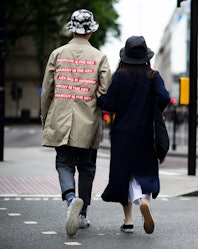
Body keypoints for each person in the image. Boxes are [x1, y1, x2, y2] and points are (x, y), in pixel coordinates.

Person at [40, 9, 111, 237]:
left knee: (63, 162)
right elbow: (105, 91)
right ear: (90, 31)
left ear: (72, 29)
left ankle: (71, 199)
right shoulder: (100, 57)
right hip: (88, 121)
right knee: (87, 168)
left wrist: (45, 117)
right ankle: (82, 215)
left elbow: (47, 91)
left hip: (60, 118)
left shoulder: (57, 54)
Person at [96, 36, 170, 234]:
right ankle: (145, 200)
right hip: (147, 132)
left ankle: (128, 220)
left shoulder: (120, 76)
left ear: (126, 57)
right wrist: (154, 109)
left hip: (123, 134)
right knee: (145, 169)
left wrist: (99, 98)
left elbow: (109, 104)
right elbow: (164, 97)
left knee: (124, 175)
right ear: (145, 56)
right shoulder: (153, 75)